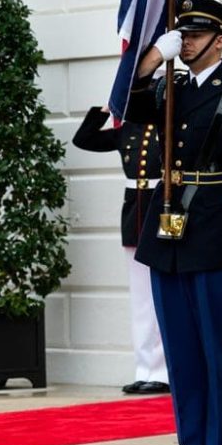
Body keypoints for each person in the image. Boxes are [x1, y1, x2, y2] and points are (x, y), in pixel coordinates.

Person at [125, 0, 222, 445]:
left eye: (195, 35)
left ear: (220, 40)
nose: (185, 43)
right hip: (169, 241)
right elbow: (125, 101)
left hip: (216, 238)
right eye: (181, 35)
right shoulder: (169, 90)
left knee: (218, 362)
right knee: (182, 363)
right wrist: (150, 60)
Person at [71, 105, 169, 395]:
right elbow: (83, 139)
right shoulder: (126, 130)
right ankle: (144, 369)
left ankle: (164, 371)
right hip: (135, 215)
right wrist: (105, 109)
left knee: (162, 295)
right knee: (141, 300)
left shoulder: (168, 126)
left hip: (162, 211)